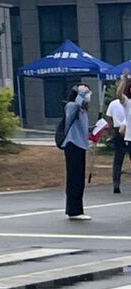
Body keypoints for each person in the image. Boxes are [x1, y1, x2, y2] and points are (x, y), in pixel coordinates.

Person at [62, 81, 93, 221]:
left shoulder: (83, 111)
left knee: (79, 179)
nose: (87, 95)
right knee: (74, 178)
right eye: (85, 93)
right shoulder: (72, 106)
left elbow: (83, 129)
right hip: (73, 145)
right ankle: (73, 210)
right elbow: (73, 109)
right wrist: (80, 92)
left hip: (81, 146)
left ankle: (77, 209)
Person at [109, 75, 131, 195]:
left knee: (118, 160)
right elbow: (119, 94)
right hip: (126, 134)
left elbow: (110, 119)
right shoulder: (126, 103)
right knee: (118, 160)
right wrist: (124, 80)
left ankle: (116, 183)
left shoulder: (113, 104)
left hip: (119, 130)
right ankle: (116, 183)